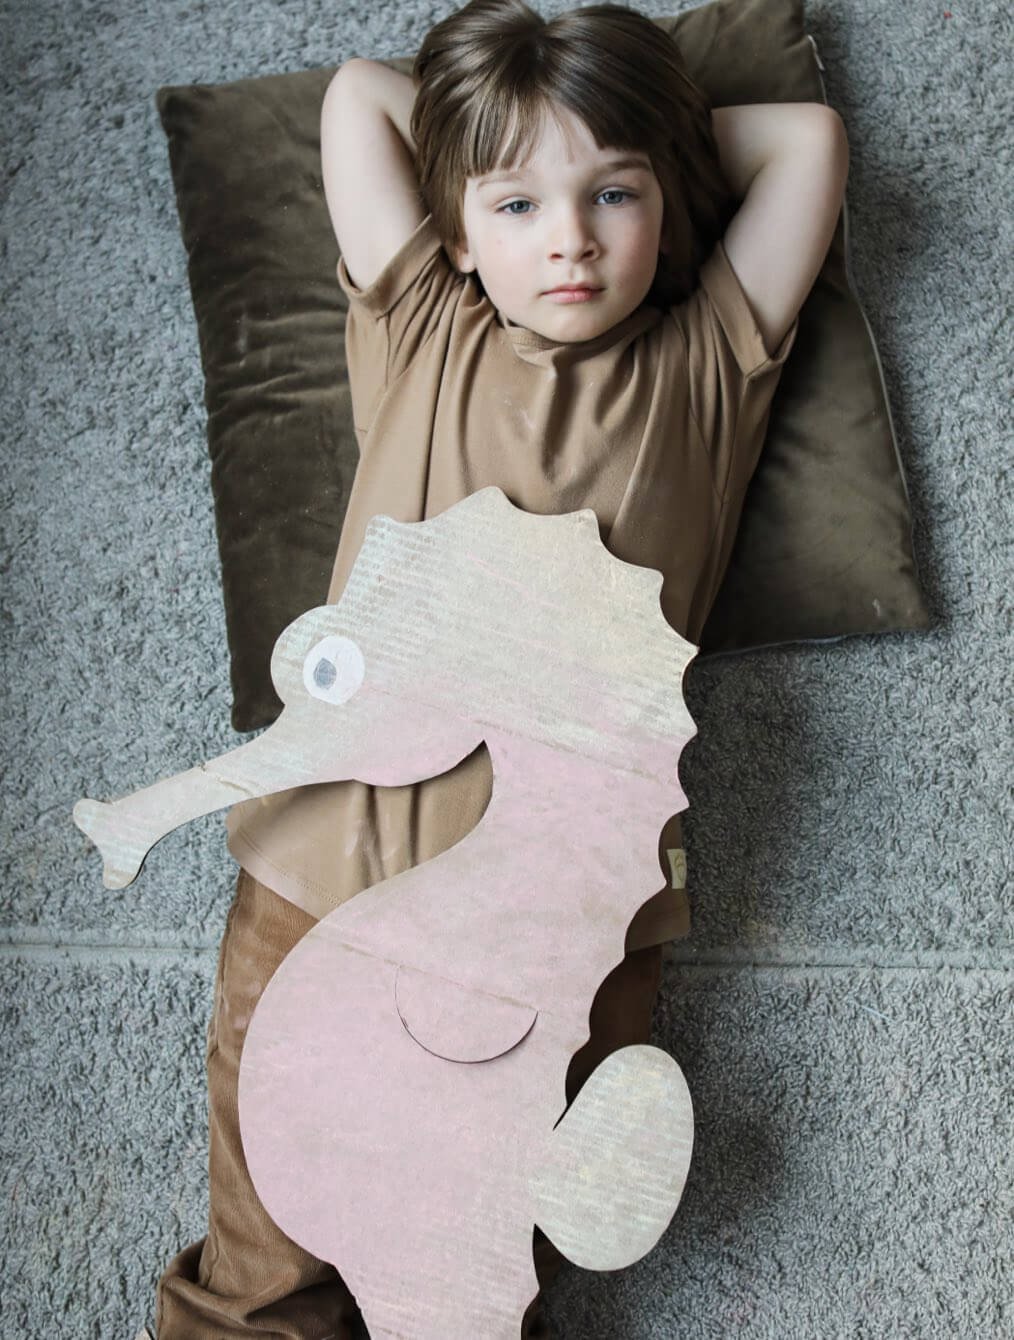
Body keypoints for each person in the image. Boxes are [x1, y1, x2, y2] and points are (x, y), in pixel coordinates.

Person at [154, 2, 848, 1336]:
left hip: (555, 924)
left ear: (667, 205)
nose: (570, 237)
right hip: (331, 872)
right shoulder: (425, 322)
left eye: (613, 196)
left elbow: (805, 140)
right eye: (518, 204)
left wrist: (621, 134)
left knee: (467, 1282)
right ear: (459, 233)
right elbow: (360, 96)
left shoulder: (704, 364)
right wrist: (538, 121)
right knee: (262, 1270)